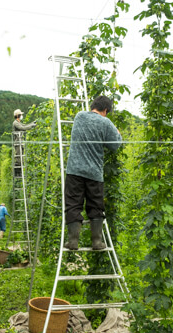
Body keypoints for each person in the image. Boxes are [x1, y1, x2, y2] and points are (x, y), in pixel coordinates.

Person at [64, 96, 122, 250]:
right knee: (96, 206)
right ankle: (97, 241)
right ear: (105, 110)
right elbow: (115, 146)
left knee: (73, 204)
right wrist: (117, 133)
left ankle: (73, 241)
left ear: (93, 106)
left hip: (74, 170)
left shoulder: (79, 116)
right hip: (94, 172)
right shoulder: (105, 122)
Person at [12, 109, 37, 176]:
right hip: (17, 142)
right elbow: (23, 128)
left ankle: (19, 172)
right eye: (21, 115)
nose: (22, 116)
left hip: (20, 141)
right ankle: (17, 173)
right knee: (18, 157)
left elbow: (25, 125)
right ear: (18, 115)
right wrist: (32, 125)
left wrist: (32, 123)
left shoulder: (19, 122)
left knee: (21, 156)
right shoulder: (15, 123)